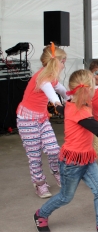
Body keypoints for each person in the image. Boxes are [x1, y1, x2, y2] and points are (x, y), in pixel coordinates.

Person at [33, 69, 98, 232]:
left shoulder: (76, 104)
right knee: (66, 197)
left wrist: (56, 105)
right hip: (71, 162)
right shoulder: (79, 110)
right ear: (88, 89)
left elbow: (63, 110)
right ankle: (41, 214)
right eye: (94, 85)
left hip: (87, 158)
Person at [16, 43, 69, 198]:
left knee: (54, 149)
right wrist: (59, 105)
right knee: (34, 155)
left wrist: (74, 98)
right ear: (54, 62)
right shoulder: (43, 78)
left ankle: (56, 172)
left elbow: (63, 91)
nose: (64, 65)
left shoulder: (52, 78)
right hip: (27, 119)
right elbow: (52, 95)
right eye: (63, 62)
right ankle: (39, 184)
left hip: (41, 118)